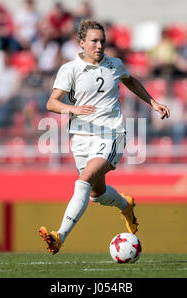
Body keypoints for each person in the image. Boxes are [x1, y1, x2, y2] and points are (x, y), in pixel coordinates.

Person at [39, 20, 170, 254]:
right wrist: (74, 109)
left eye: (102, 41)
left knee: (85, 178)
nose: (99, 46)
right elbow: (52, 103)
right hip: (80, 137)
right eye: (94, 41)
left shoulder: (114, 65)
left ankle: (59, 236)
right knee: (95, 194)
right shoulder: (70, 69)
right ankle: (125, 204)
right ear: (81, 43)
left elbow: (130, 80)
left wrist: (153, 102)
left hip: (111, 134)